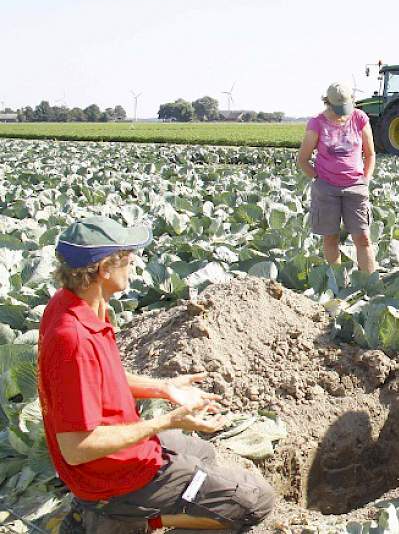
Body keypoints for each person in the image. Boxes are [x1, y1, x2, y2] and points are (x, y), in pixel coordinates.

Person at [41, 216, 276, 533]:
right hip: (111, 477)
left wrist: (164, 388)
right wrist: (167, 421)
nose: (133, 261)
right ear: (102, 269)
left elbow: (99, 380)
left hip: (119, 456)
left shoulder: (73, 306)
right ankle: (130, 518)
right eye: (125, 256)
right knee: (256, 502)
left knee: (203, 452)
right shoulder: (73, 338)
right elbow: (77, 446)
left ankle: (135, 509)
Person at [298, 82, 377, 273]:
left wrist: (365, 179)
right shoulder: (317, 123)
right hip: (327, 189)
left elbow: (371, 154)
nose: (343, 112)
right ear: (328, 103)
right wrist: (319, 178)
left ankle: (369, 284)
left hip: (355, 187)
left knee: (363, 238)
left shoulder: (359, 118)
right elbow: (303, 159)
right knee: (331, 237)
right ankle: (338, 281)